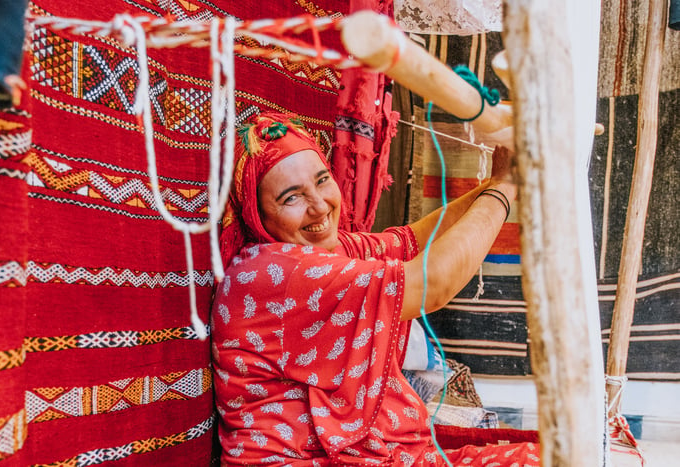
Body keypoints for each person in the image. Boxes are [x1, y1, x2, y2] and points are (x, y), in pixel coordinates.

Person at [211, 112, 538, 465]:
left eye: (322, 180)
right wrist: (505, 189)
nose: (319, 206)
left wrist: (494, 181)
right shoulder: (271, 273)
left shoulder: (325, 253)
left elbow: (411, 242)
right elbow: (433, 283)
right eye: (292, 198)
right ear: (257, 214)